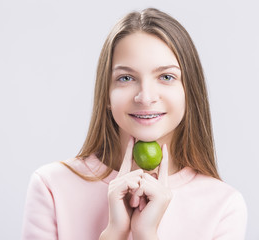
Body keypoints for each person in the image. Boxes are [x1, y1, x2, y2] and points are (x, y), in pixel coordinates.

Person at [21, 8, 247, 240]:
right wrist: (114, 233)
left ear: (189, 92)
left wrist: (146, 234)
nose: (145, 97)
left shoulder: (224, 206)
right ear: (106, 95)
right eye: (126, 78)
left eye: (166, 77)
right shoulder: (52, 187)